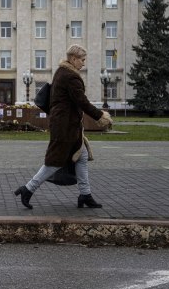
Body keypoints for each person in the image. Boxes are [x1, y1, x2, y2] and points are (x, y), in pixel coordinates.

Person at [14, 44, 112, 209]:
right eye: (82, 60)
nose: (83, 63)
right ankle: (28, 189)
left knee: (81, 157)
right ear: (73, 59)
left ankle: (85, 195)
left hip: (66, 126)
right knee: (54, 162)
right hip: (65, 128)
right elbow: (82, 101)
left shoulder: (61, 72)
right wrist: (100, 116)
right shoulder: (71, 77)